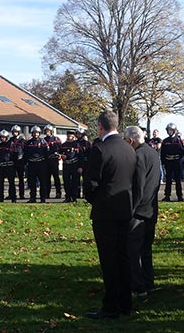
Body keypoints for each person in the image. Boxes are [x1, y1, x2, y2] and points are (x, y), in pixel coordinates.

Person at [83, 110, 136, 319]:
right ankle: (125, 303)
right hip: (124, 209)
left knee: (109, 261)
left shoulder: (100, 149)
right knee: (123, 258)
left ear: (100, 126)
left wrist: (95, 200)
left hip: (105, 212)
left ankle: (111, 306)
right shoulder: (129, 148)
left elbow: (90, 184)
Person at [124, 126, 160, 299]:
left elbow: (138, 186)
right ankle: (149, 282)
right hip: (151, 208)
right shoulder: (153, 153)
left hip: (139, 211)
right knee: (146, 249)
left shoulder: (138, 156)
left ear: (131, 140)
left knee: (133, 251)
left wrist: (131, 208)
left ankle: (138, 288)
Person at [161, 123, 184, 202]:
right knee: (168, 180)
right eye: (168, 130)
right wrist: (163, 162)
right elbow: (163, 152)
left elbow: (183, 150)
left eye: (171, 130)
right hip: (168, 162)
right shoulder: (165, 141)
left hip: (176, 162)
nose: (170, 132)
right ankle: (167, 196)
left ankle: (179, 196)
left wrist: (179, 159)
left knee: (178, 180)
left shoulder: (178, 140)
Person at [24, 126, 50, 203]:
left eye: (37, 133)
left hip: (41, 164)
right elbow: (25, 153)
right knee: (32, 183)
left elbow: (47, 153)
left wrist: (45, 164)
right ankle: (33, 198)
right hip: (32, 164)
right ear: (32, 133)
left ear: (39, 133)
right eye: (34, 133)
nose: (36, 134)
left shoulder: (43, 141)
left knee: (42, 182)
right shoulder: (28, 143)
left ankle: (43, 198)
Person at [59, 130, 83, 202]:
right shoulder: (63, 145)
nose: (70, 137)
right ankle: (68, 197)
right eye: (68, 136)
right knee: (66, 181)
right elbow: (59, 154)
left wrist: (80, 166)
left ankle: (74, 197)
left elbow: (81, 156)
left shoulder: (77, 145)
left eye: (71, 136)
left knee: (75, 182)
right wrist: (61, 156)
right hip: (66, 165)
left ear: (73, 137)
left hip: (75, 165)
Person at [0, 131, 16, 202]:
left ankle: (13, 198)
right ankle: (0, 198)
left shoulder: (11, 145)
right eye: (1, 137)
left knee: (11, 183)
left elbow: (15, 155)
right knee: (0, 183)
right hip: (1, 167)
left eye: (4, 137)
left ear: (7, 137)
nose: (2, 139)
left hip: (10, 166)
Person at [43, 125, 63, 199]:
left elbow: (61, 149)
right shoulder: (43, 140)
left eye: (49, 131)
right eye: (46, 131)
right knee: (46, 178)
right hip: (46, 161)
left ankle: (58, 192)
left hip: (54, 161)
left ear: (51, 131)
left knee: (56, 178)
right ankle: (47, 193)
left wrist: (59, 155)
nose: (47, 132)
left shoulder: (56, 139)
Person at [9, 126, 27, 201]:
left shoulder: (22, 141)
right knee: (11, 179)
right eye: (14, 132)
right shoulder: (10, 140)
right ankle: (12, 194)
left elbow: (25, 151)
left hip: (20, 162)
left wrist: (24, 161)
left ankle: (21, 194)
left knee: (21, 179)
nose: (15, 133)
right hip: (12, 162)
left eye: (16, 132)